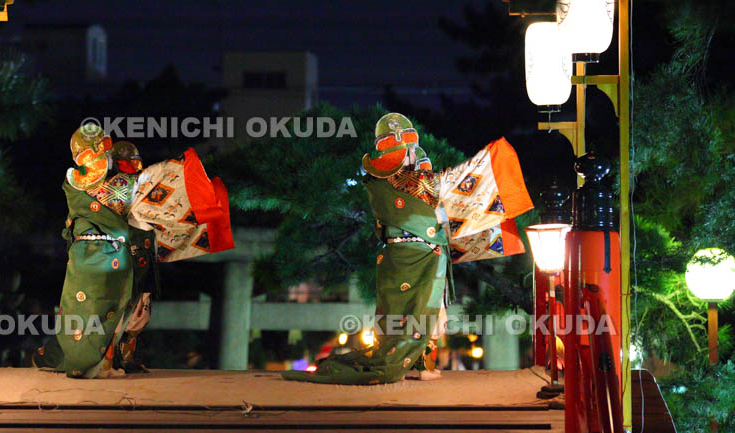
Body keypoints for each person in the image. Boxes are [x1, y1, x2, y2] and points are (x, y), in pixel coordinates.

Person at [283, 113, 532, 385]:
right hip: (412, 255)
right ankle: (411, 365)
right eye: (408, 150)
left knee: (419, 314)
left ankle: (419, 364)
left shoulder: (399, 183)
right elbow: (435, 202)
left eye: (412, 150)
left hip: (412, 255)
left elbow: (442, 204)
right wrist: (493, 159)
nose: (412, 155)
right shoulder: (396, 184)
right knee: (416, 313)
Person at [33, 122, 233, 378]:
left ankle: (115, 360)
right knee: (98, 313)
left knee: (127, 315)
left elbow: (144, 198)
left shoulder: (121, 186)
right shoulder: (91, 184)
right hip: (97, 257)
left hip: (122, 257)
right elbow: (139, 189)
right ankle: (92, 363)